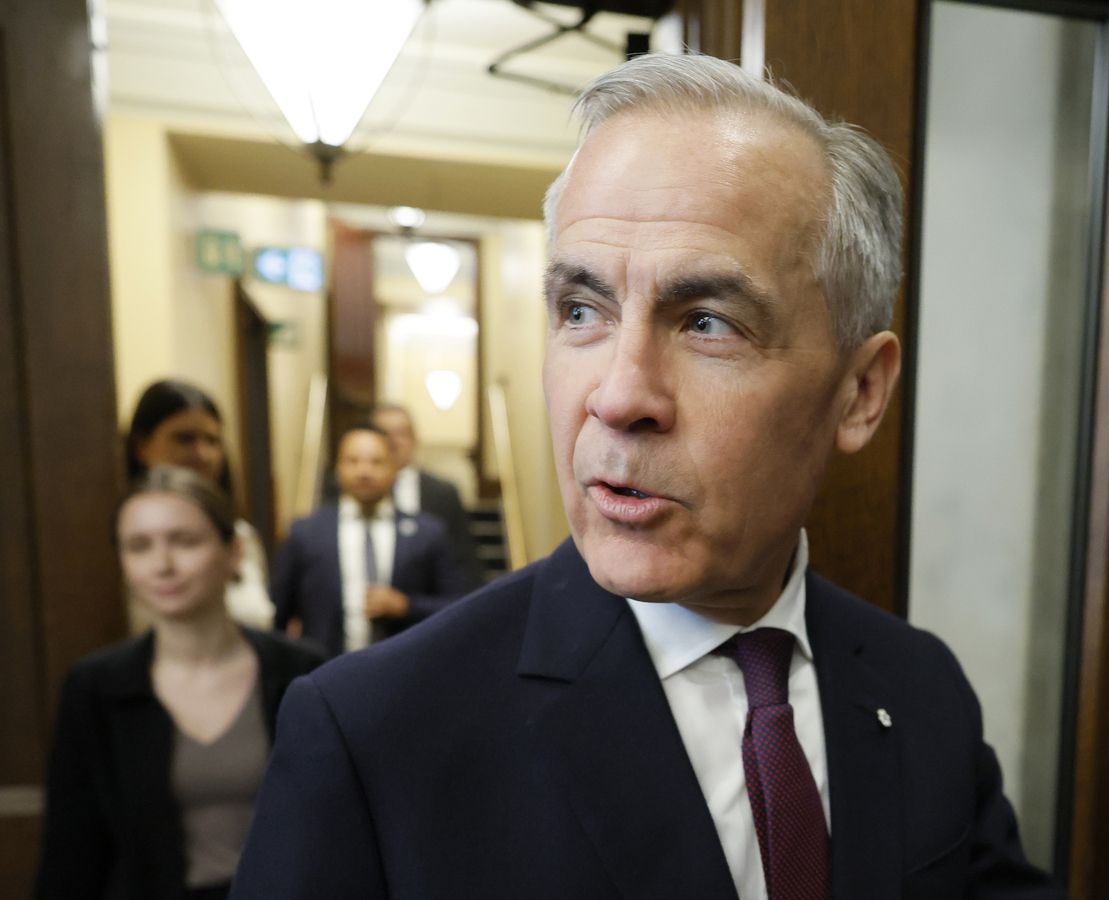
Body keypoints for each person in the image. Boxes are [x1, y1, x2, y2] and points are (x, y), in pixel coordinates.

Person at [232, 53, 1062, 898]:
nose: (619, 395)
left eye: (707, 322)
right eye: (582, 311)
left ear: (859, 392)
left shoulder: (922, 689)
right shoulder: (375, 736)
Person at [36, 465, 325, 900]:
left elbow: (336, 827)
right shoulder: (95, 687)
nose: (162, 565)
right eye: (138, 546)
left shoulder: (300, 672)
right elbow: (72, 854)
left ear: (234, 552)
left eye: (185, 541)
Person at [271, 424, 475, 656]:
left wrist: (407, 606)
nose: (364, 471)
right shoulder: (305, 533)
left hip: (405, 670)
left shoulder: (428, 533)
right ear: (338, 467)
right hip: (324, 672)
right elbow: (279, 612)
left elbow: (459, 606)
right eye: (353, 461)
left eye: (376, 462)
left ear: (395, 468)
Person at [126, 379, 275, 631]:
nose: (202, 454)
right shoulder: (126, 537)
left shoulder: (240, 533)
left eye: (212, 441)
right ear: (142, 447)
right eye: (184, 439)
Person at [372, 403, 486, 587]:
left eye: (401, 433)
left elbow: (464, 561)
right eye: (384, 434)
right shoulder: (347, 493)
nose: (393, 442)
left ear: (414, 439)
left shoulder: (443, 493)